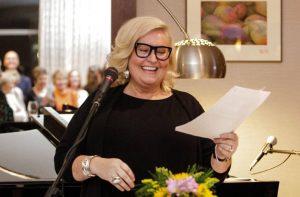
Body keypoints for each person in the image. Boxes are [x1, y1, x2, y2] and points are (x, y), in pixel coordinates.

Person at [54, 16, 239, 197]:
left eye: (161, 51)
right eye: (143, 49)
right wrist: (95, 165)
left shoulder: (188, 105)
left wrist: (222, 155)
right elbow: (62, 162)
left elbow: (213, 176)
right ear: (127, 54)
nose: (153, 59)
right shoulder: (102, 101)